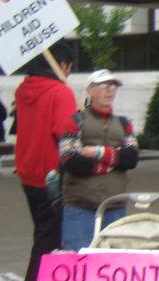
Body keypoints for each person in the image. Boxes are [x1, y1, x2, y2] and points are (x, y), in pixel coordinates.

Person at [13, 42, 78, 281]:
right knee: (49, 235)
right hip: (53, 174)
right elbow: (66, 132)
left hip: (28, 170)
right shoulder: (60, 92)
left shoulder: (22, 89)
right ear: (62, 65)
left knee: (43, 230)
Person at [58, 70, 139, 250]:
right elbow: (70, 161)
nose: (110, 90)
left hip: (115, 205)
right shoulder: (73, 122)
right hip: (80, 206)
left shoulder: (124, 123)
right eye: (103, 85)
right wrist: (114, 160)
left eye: (113, 86)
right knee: (78, 262)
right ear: (89, 90)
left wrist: (97, 152)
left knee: (115, 263)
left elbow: (132, 159)